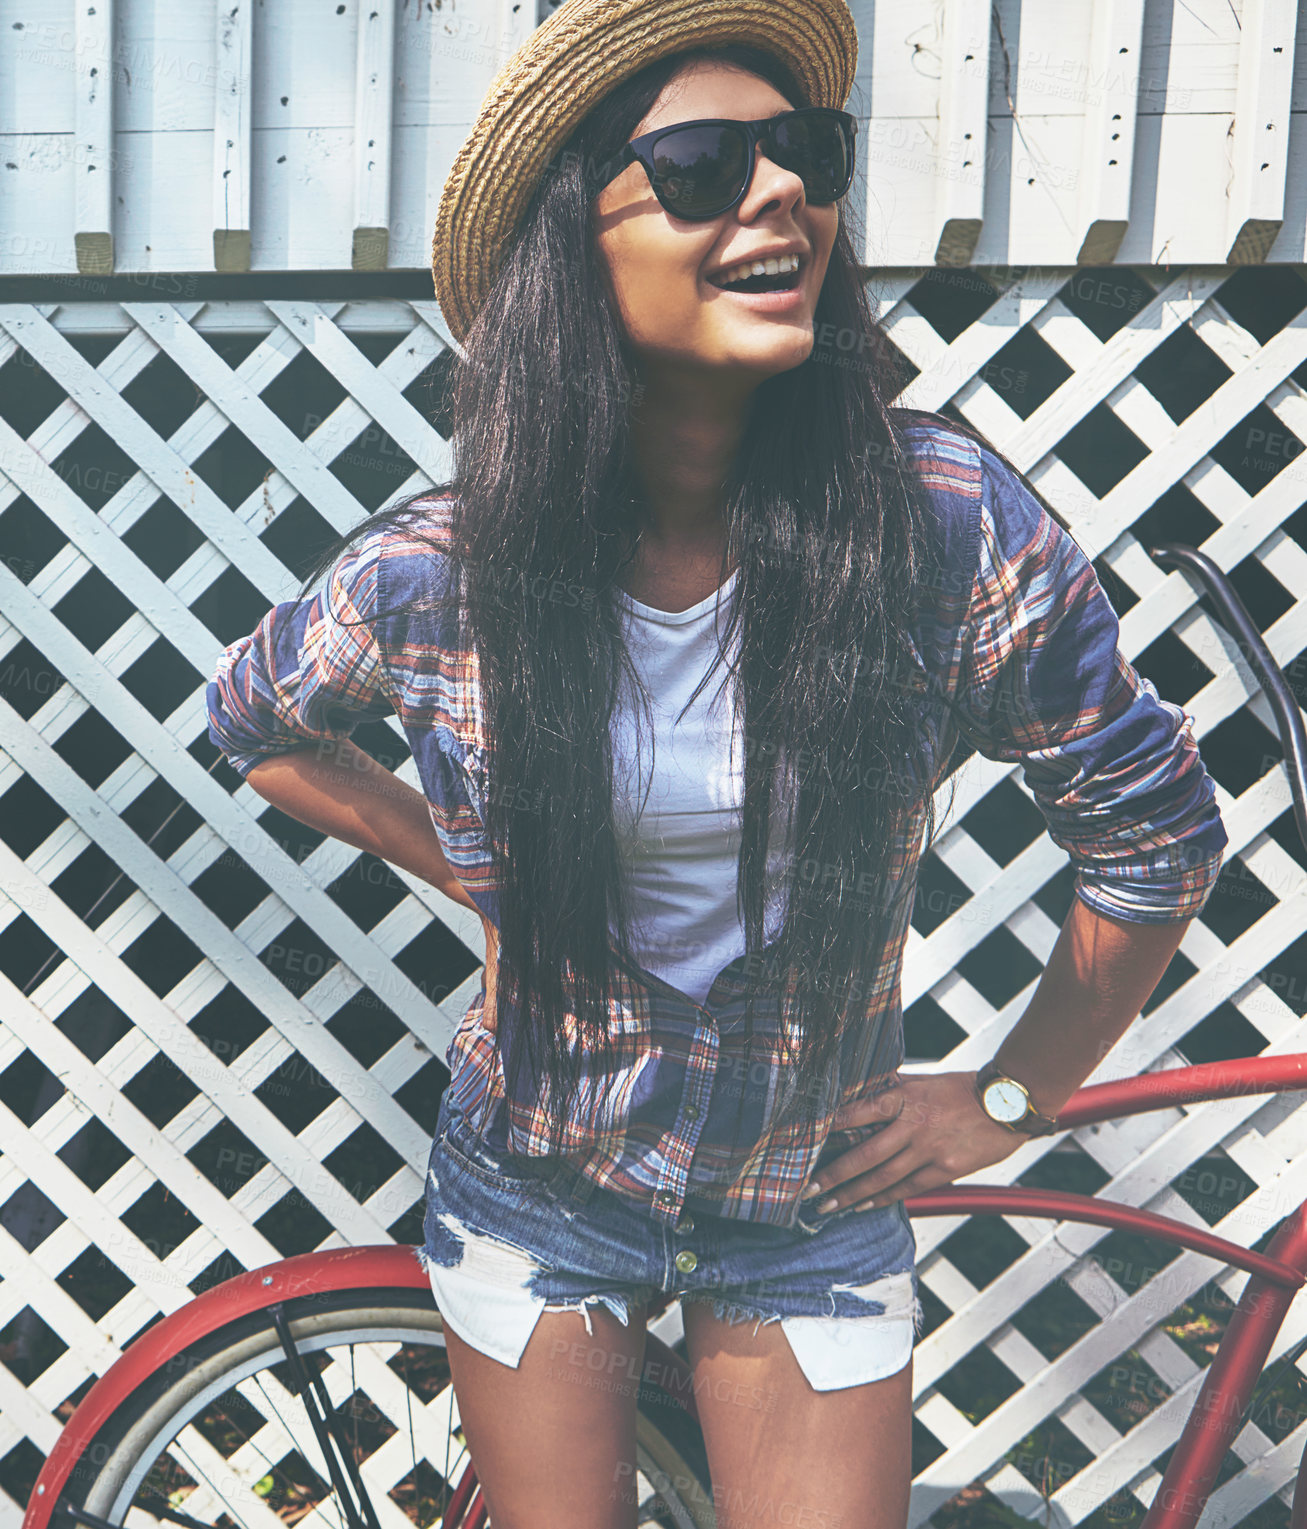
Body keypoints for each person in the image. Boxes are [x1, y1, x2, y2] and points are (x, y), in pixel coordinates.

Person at [205, 0, 1228, 1523]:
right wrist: (471, 867)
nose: (780, 195)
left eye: (802, 154)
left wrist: (1013, 1097)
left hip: (804, 1203)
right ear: (578, 243)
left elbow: (1153, 830)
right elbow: (254, 719)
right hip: (538, 1183)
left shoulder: (939, 529)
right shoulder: (450, 571)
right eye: (697, 165)